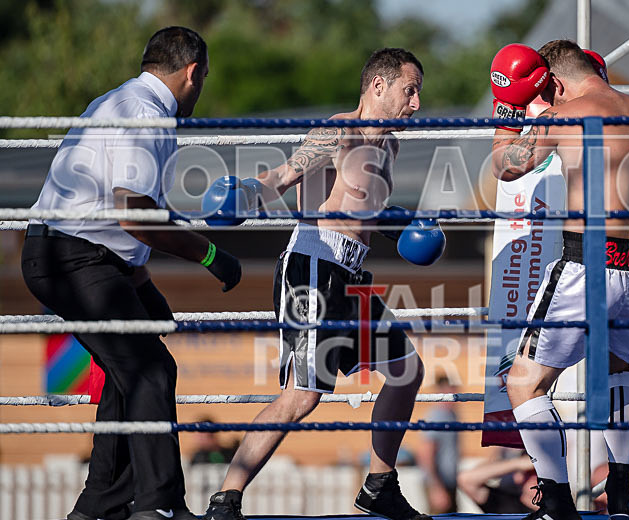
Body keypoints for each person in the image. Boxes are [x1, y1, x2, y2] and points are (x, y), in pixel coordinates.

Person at [202, 48, 443, 520]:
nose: (416, 103)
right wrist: (247, 193)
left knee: (406, 370)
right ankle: (226, 498)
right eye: (409, 90)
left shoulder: (389, 146)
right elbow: (287, 175)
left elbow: (360, 209)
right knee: (303, 395)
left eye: (419, 93)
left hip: (352, 274)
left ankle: (379, 486)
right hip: (315, 266)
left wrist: (402, 228)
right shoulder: (340, 130)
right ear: (378, 86)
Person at [21, 27, 242, 520]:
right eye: (203, 78)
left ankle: (101, 501)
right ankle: (157, 504)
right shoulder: (147, 114)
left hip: (75, 255)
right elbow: (135, 216)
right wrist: (211, 256)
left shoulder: (118, 100)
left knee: (133, 372)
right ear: (193, 72)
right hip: (75, 258)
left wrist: (143, 286)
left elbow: (110, 211)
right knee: (149, 372)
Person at [491, 39, 629, 520]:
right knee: (617, 370)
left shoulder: (563, 115)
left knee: (522, 383)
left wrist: (508, 106)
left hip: (588, 263)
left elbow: (507, 168)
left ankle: (557, 501)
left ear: (554, 83)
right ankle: (625, 494)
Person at [416, 374, 461, 513]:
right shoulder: (437, 415)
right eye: (450, 391)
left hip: (448, 482)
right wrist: (436, 487)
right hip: (438, 483)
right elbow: (426, 454)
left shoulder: (452, 414)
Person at [457, 450, 536, 514]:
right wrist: (518, 463)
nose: (540, 479)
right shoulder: (505, 503)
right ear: (518, 477)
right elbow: (466, 479)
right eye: (533, 472)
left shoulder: (548, 510)